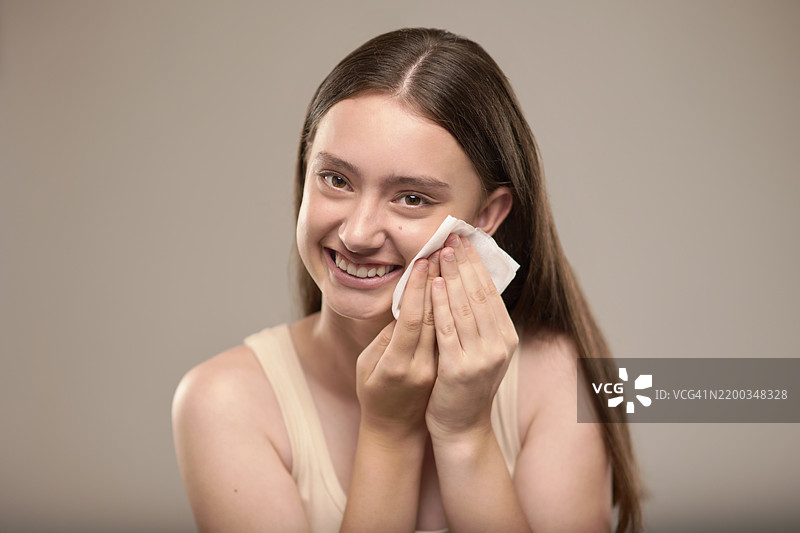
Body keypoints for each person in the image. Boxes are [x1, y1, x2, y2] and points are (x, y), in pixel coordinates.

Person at [172, 27, 642, 533]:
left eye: (411, 197)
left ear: (485, 216)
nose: (356, 233)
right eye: (336, 179)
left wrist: (464, 434)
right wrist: (388, 434)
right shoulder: (223, 401)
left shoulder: (558, 380)